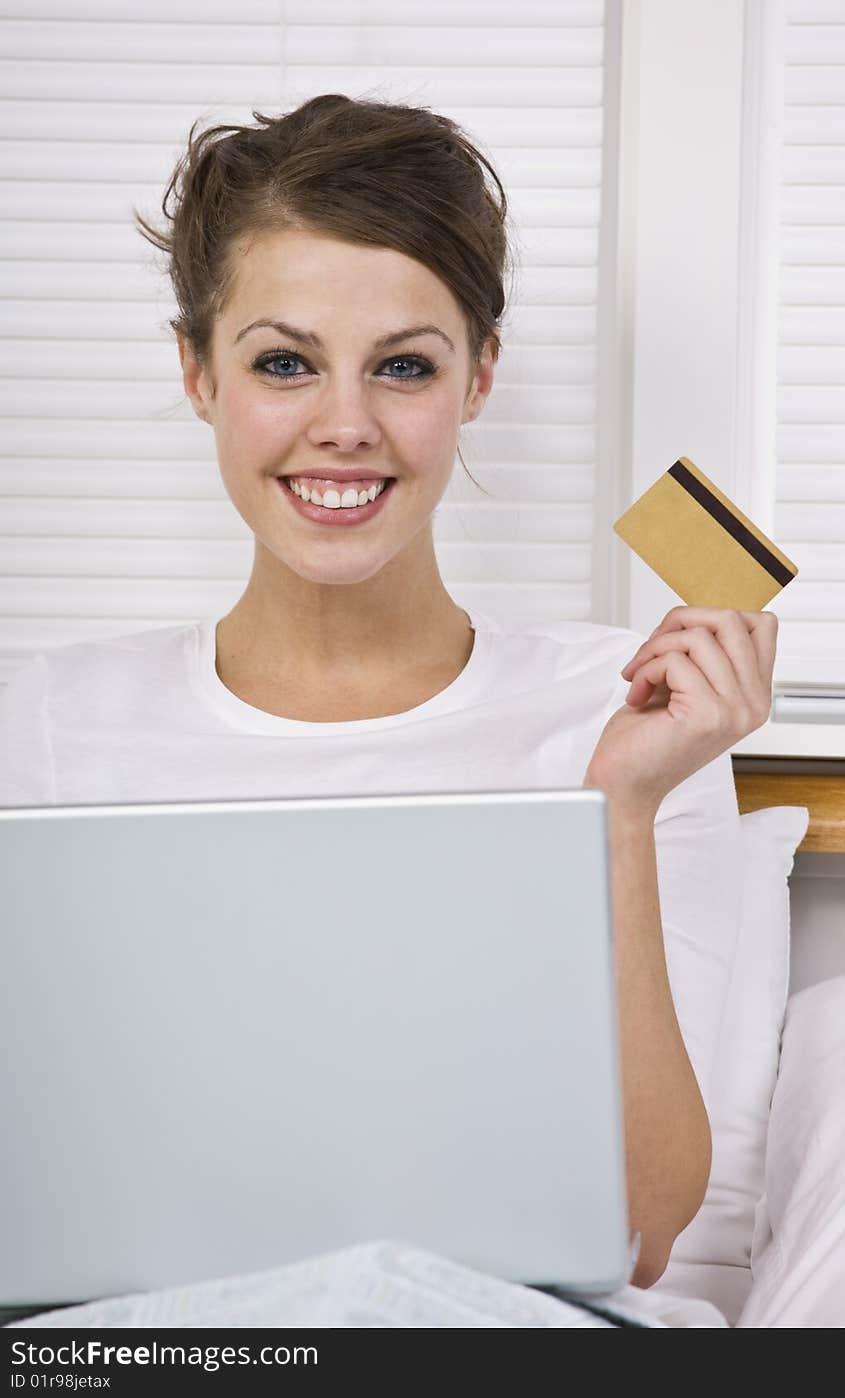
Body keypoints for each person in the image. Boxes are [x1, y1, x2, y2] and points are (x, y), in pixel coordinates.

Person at [0, 94, 777, 1290]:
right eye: (283, 363)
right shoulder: (44, 722)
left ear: (477, 380)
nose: (345, 426)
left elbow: (644, 1229)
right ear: (198, 373)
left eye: (403, 366)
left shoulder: (628, 714)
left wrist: (615, 812)